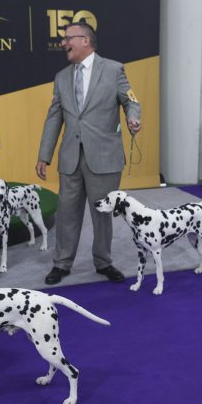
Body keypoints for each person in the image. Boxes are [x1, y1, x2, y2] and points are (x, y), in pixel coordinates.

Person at [36, 21, 141, 286]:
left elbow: (130, 100)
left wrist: (133, 117)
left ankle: (103, 262)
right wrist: (44, 155)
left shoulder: (114, 69)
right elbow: (54, 117)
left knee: (103, 214)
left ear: (85, 40)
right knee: (66, 213)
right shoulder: (61, 77)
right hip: (70, 158)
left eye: (68, 38)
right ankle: (61, 263)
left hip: (104, 157)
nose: (63, 43)